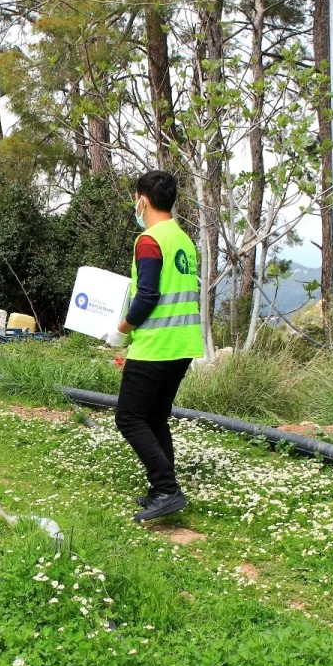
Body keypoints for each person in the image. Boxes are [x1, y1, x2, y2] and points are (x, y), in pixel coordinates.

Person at [114, 170, 204, 521]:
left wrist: (122, 329)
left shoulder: (149, 240)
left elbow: (148, 294)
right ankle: (161, 488)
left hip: (155, 345)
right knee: (154, 417)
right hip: (182, 344)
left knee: (129, 417)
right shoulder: (182, 239)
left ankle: (167, 488)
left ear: (142, 200)